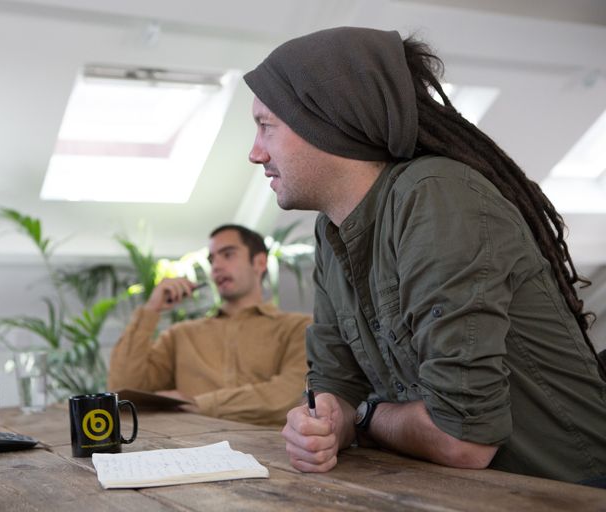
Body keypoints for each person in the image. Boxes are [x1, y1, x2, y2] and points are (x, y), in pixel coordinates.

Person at [244, 27, 606, 485]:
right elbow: (336, 385)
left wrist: (362, 418)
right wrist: (323, 421)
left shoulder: (436, 195)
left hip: (568, 493)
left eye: (266, 125)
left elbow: (464, 439)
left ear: (328, 120)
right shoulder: (330, 227)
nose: (255, 154)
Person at [107, 224, 312, 427]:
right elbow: (124, 390)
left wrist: (198, 404)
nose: (216, 266)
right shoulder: (181, 335)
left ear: (259, 262)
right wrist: (151, 310)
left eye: (228, 254)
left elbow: (291, 395)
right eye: (212, 259)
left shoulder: (298, 328)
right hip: (188, 449)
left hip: (266, 453)